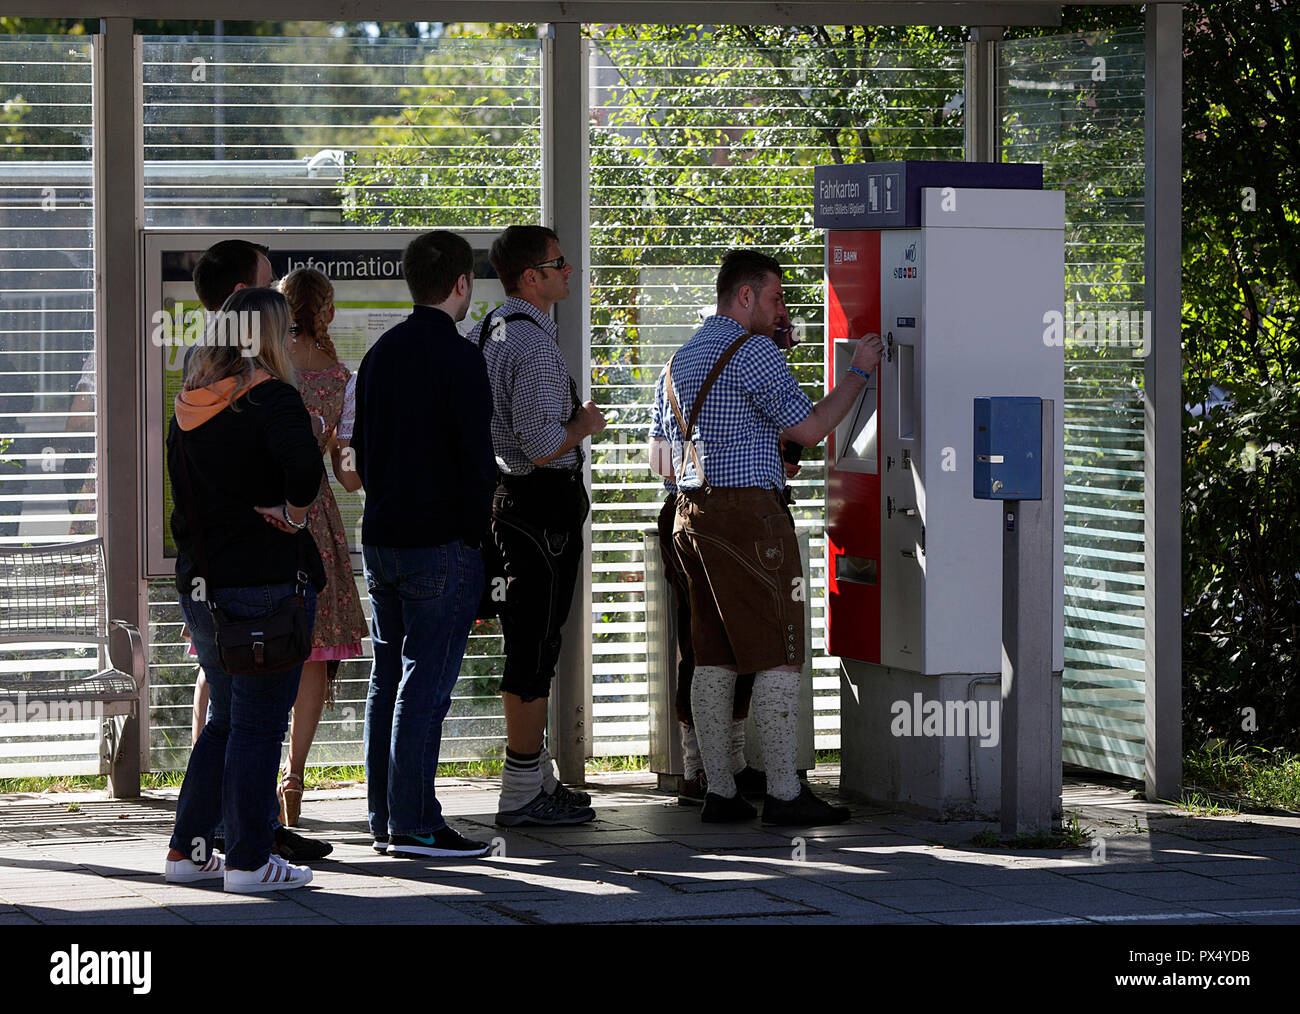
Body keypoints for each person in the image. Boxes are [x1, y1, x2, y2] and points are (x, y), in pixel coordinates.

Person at [649, 248, 883, 825]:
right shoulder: (753, 351)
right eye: (776, 297)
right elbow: (810, 426)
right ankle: (784, 793)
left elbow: (661, 459)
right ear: (744, 296)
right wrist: (859, 371)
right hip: (751, 521)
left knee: (714, 656)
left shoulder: (679, 359)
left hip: (689, 516)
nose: (782, 310)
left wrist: (740, 447)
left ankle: (720, 792)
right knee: (779, 654)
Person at [163, 286, 325, 892]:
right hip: (266, 585)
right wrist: (295, 510)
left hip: (204, 587)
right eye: (284, 332)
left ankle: (188, 850)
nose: (290, 341)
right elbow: (305, 472)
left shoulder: (192, 403)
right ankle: (251, 862)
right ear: (267, 337)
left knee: (226, 722)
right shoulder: (271, 397)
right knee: (258, 727)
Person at [352, 231, 496, 859]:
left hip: (382, 536)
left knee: (386, 679)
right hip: (441, 542)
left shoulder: (380, 353)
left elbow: (363, 448)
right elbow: (475, 463)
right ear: (461, 285)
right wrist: (481, 543)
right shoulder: (462, 359)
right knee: (425, 687)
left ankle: (385, 816)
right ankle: (415, 822)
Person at [468, 225, 604, 827]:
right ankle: (522, 788)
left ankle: (533, 772)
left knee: (528, 637)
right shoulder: (532, 345)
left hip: (510, 506)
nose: (569, 271)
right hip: (539, 509)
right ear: (533, 277)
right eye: (559, 262)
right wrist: (583, 426)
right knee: (536, 643)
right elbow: (543, 442)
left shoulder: (490, 329)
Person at [274, 267, 368, 828]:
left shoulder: (268, 367)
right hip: (321, 519)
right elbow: (348, 474)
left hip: (269, 514)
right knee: (313, 653)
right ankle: (295, 778)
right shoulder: (342, 379)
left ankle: (245, 775)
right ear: (327, 312)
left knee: (257, 645)